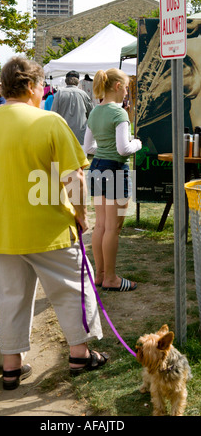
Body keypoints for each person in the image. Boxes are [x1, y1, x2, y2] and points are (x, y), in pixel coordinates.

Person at [0, 57, 108, 390]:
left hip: (2, 228)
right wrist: (80, 214)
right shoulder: (49, 121)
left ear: (4, 87)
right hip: (50, 227)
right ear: (33, 87)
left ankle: (11, 367)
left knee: (11, 298)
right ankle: (79, 352)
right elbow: (74, 177)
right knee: (70, 289)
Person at [84, 68, 142, 292]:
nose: (127, 91)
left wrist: (104, 149)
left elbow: (88, 147)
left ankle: (99, 275)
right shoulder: (120, 114)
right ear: (117, 86)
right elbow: (124, 148)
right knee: (113, 229)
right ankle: (110, 278)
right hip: (116, 169)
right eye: (127, 87)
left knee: (100, 225)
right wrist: (138, 142)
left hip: (97, 166)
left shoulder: (95, 112)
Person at [51, 70, 93, 148]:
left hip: (63, 133)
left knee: (63, 159)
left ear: (66, 81)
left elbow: (53, 113)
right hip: (80, 135)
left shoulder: (59, 93)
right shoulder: (83, 94)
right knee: (80, 159)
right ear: (78, 81)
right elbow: (91, 114)